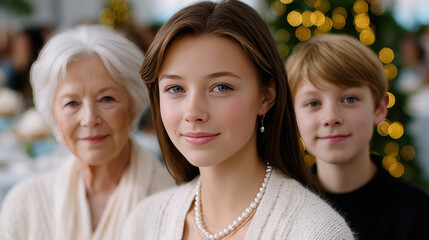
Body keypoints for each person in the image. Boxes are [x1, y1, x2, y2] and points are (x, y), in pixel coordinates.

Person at [122, 1, 354, 239]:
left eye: (221, 87)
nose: (193, 112)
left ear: (266, 96)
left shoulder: (316, 232)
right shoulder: (144, 222)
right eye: (175, 88)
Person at [0, 25, 175, 240]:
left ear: (133, 108)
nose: (90, 119)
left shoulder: (174, 204)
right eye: (72, 103)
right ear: (53, 116)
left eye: (107, 99)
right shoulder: (25, 205)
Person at [286, 33, 429, 240]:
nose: (331, 118)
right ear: (292, 115)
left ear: (379, 108)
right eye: (313, 103)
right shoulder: (283, 210)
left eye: (350, 99)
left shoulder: (418, 215)